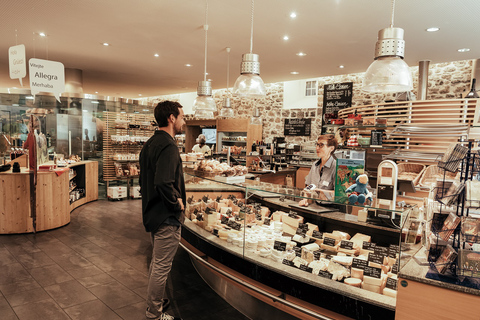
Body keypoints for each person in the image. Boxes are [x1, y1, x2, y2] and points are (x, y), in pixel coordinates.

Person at [139, 101, 186, 320]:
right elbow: (163, 182)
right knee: (161, 267)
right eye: (182, 117)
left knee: (157, 264)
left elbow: (146, 181)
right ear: (171, 118)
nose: (184, 121)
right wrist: (177, 203)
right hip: (166, 217)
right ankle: (154, 314)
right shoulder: (169, 146)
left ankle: (154, 308)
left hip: (153, 214)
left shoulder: (149, 144)